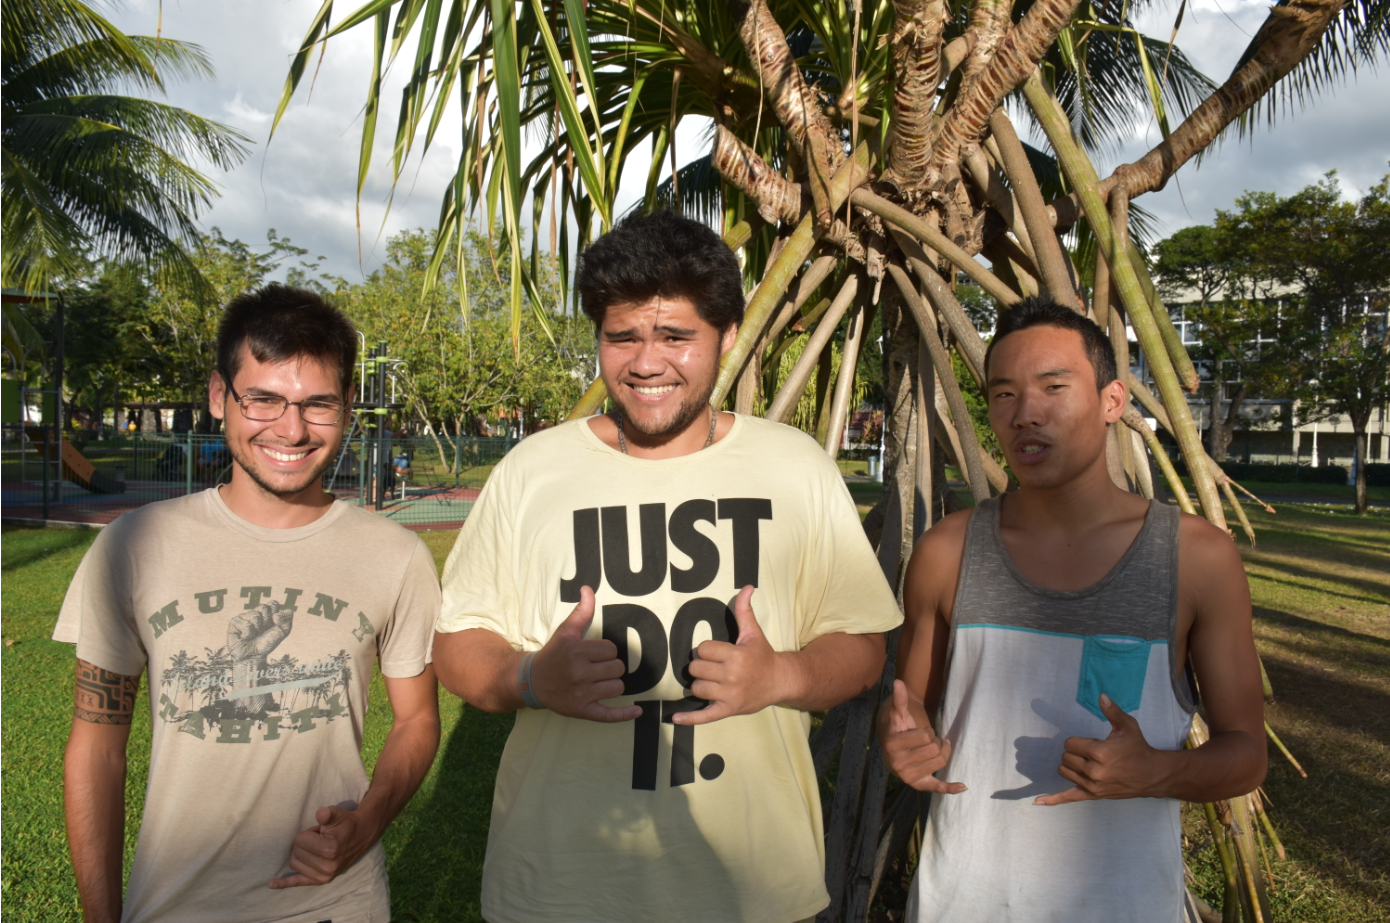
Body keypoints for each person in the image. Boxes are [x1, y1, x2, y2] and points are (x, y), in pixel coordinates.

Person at [435, 210, 903, 923]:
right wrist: (530, 677)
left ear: (729, 337)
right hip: (560, 889)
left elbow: (863, 647)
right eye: (622, 337)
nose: (646, 362)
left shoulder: (794, 466)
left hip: (751, 887)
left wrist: (783, 675)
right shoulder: (533, 469)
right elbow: (458, 646)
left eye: (676, 337)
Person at [56, 284, 442, 923]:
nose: (291, 429)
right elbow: (96, 744)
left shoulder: (394, 555)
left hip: (335, 902)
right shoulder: (134, 544)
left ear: (348, 406)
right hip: (172, 903)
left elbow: (416, 722)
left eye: (318, 405)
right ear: (218, 397)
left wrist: (368, 822)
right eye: (263, 399)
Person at [880, 297, 1267, 922]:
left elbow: (1247, 753)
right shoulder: (947, 551)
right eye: (1003, 395)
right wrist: (901, 744)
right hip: (964, 902)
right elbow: (908, 714)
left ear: (1113, 401)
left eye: (1054, 387)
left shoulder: (1195, 558)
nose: (1025, 414)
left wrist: (1155, 773)